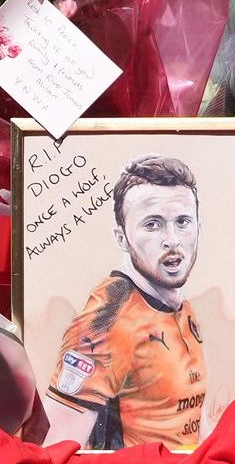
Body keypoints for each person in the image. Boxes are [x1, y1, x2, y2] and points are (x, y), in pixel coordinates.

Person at [49, 157, 210, 449]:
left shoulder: (177, 304)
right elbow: (56, 451)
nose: (172, 240)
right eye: (152, 225)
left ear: (199, 227)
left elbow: (190, 419)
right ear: (121, 238)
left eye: (182, 222)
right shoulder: (107, 320)